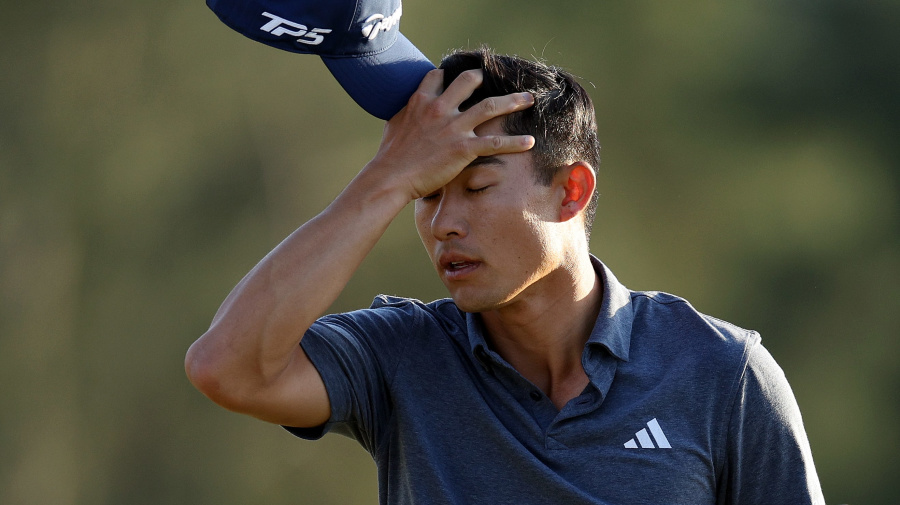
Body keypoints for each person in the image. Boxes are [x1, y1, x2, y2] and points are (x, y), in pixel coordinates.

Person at [185, 47, 825, 504]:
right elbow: (228, 366)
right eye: (427, 194)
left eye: (477, 186)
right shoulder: (401, 355)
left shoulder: (722, 373)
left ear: (570, 192)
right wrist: (386, 177)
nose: (442, 224)